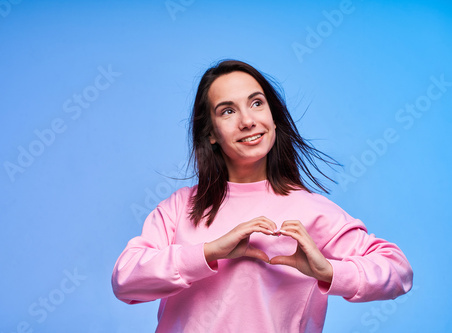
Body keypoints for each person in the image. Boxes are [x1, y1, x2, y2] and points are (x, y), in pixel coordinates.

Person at [111, 60, 413, 332]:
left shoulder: (313, 211)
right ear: (210, 133)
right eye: (227, 111)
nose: (247, 120)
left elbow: (398, 271)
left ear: (273, 116)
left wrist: (330, 271)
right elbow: (125, 281)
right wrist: (210, 251)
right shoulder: (181, 208)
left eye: (256, 103)